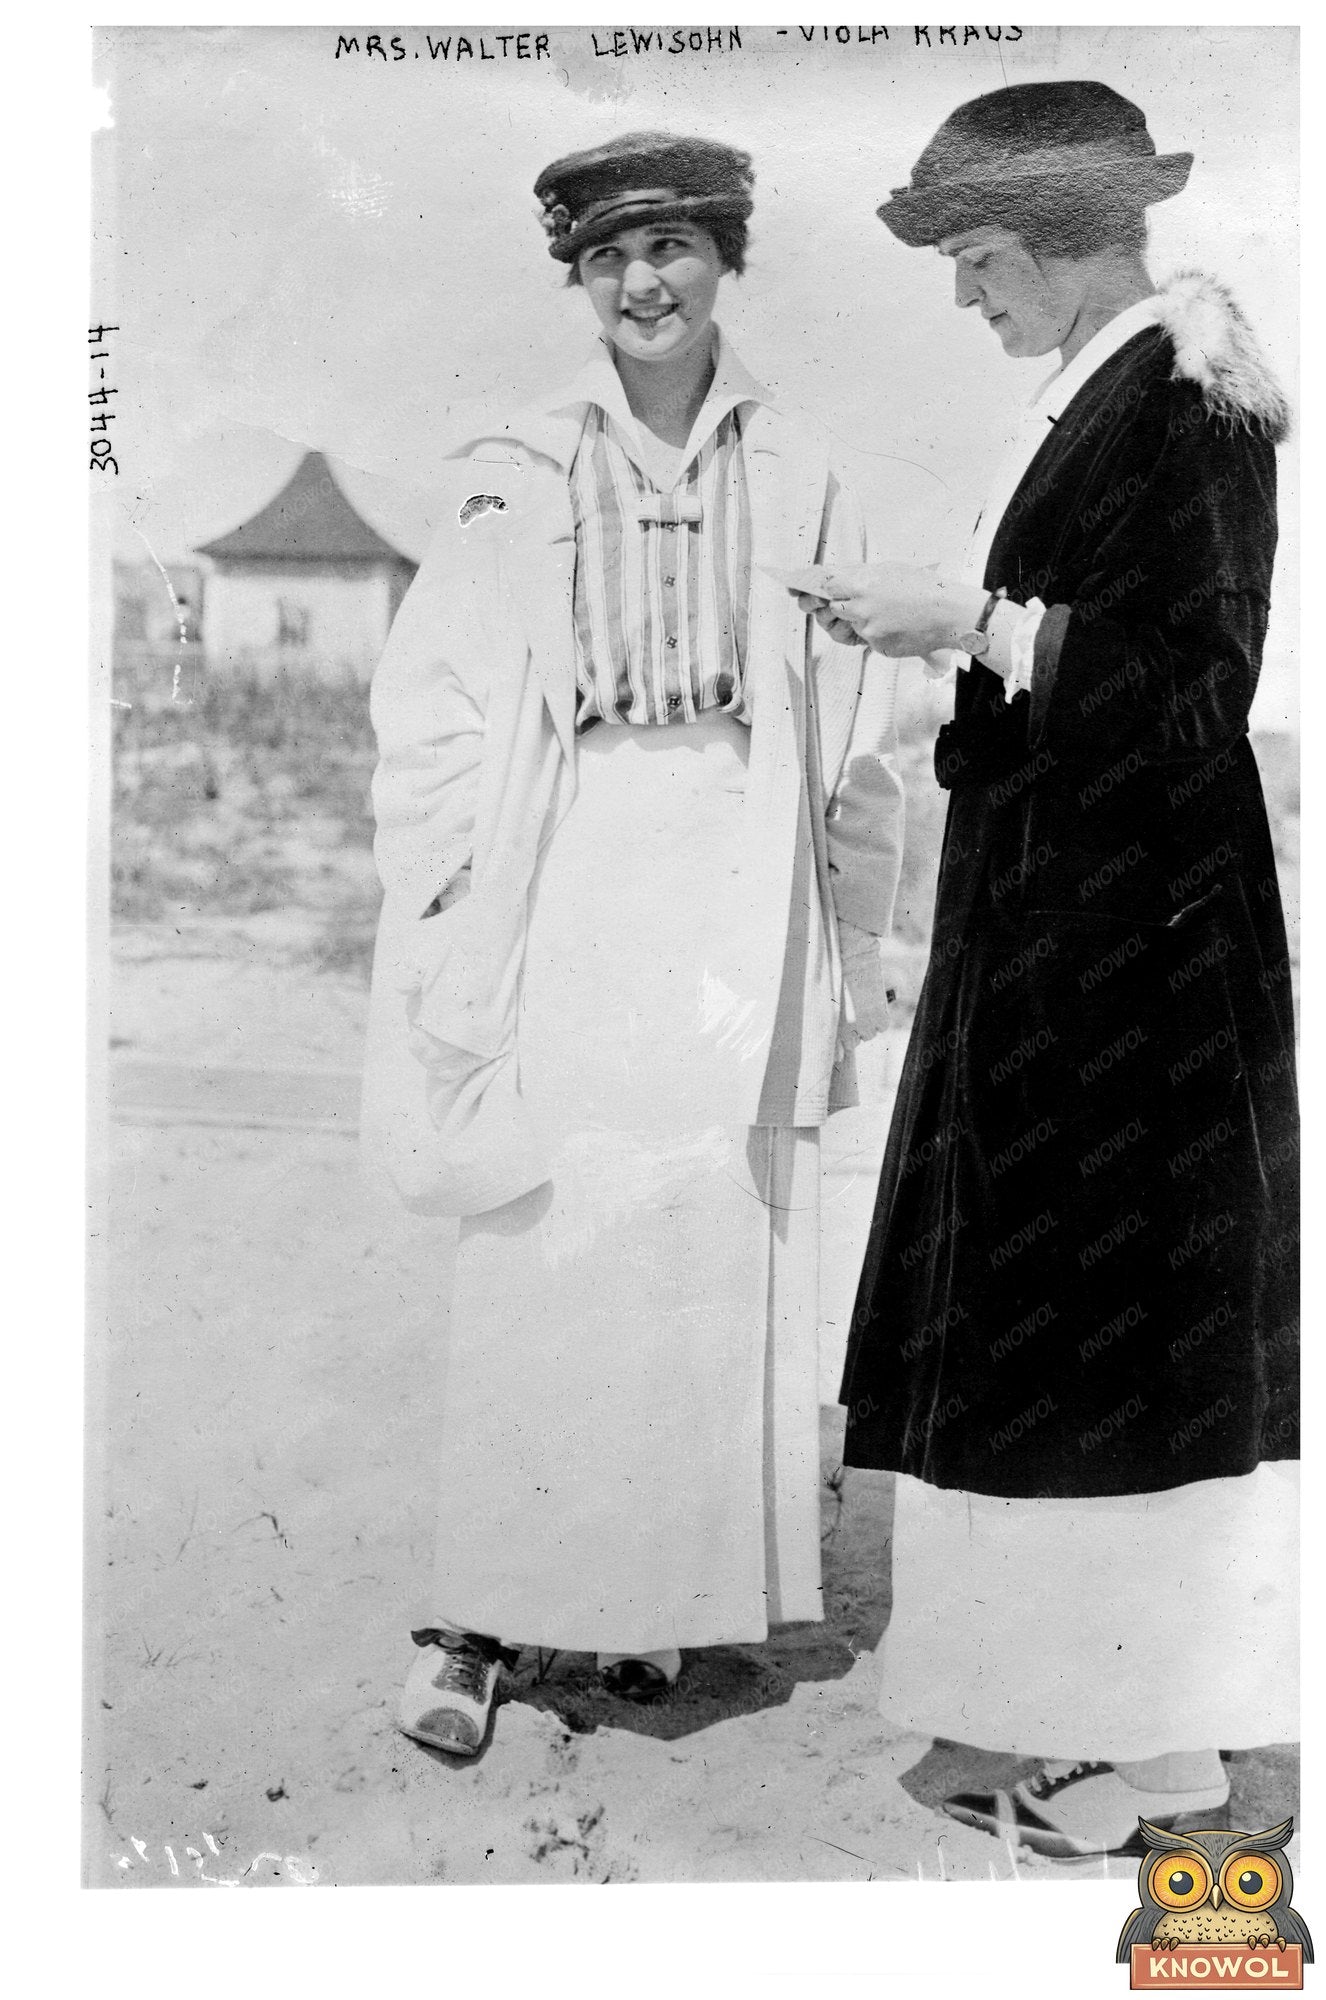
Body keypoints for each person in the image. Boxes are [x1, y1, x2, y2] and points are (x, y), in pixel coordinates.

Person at [360, 132, 905, 1755]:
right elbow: (435, 696)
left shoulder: (803, 466)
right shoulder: (510, 464)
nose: (641, 283)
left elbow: (858, 736)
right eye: (606, 257)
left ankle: (649, 1605)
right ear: (577, 280)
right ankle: (474, 1628)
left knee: (694, 1246)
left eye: (670, 248)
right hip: (567, 863)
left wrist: (849, 941)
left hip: (738, 877)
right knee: (540, 1236)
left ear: (724, 259)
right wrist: (447, 894)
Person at [807, 82, 1298, 1857]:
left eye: (980, 253)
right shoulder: (1115, 391)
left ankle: (1155, 1766)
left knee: (1114, 1351)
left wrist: (972, 622)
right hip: (1070, 934)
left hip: (1134, 967)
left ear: (1075, 237)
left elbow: (1194, 691)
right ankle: (1089, 1729)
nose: (962, 291)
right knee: (1065, 1340)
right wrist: (968, 636)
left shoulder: (1187, 400)